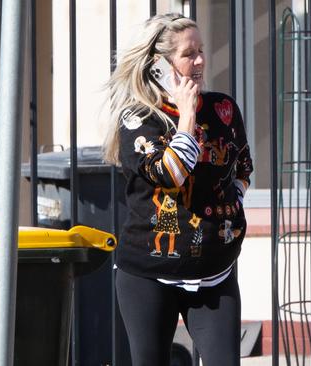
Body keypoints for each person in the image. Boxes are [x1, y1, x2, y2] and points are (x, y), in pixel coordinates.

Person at [102, 13, 253, 366]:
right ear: (160, 65)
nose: (200, 61)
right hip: (148, 273)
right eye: (189, 54)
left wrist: (230, 207)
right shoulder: (139, 119)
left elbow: (243, 165)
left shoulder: (223, 109)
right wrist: (185, 119)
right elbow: (170, 174)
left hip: (216, 270)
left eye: (201, 51)